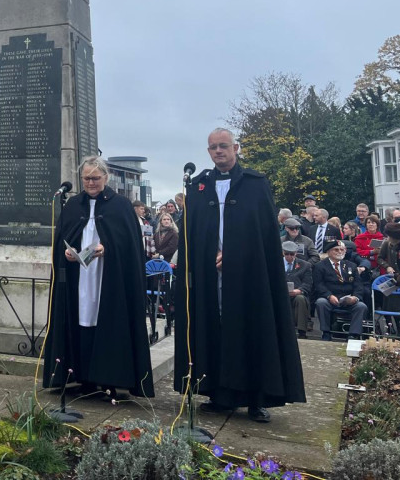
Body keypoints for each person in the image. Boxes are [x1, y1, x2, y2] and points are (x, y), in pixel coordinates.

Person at [174, 128, 305, 423]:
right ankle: (219, 394)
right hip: (211, 276)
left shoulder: (255, 185)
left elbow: (263, 237)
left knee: (251, 328)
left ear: (235, 148)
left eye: (223, 146)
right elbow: (192, 235)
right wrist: (209, 257)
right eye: (213, 148)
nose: (218, 151)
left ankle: (256, 398)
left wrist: (235, 257)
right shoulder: (198, 187)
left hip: (248, 276)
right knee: (215, 329)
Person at [43, 155, 154, 399]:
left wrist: (108, 248)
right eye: (86, 178)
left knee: (106, 321)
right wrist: (67, 252)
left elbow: (130, 244)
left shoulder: (121, 206)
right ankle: (82, 376)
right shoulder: (73, 205)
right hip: (79, 276)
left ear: (106, 177)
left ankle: (110, 378)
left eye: (95, 178)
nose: (91, 183)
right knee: (81, 319)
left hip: (109, 276)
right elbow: (65, 235)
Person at [313, 241, 366, 340]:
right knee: (321, 302)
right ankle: (326, 332)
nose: (339, 252)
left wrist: (355, 297)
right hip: (330, 299)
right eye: (336, 249)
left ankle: (353, 334)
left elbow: (358, 285)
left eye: (342, 250)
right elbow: (319, 285)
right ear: (329, 252)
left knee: (361, 306)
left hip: (348, 299)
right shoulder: (320, 266)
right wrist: (329, 296)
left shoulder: (351, 266)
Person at [282, 241, 313, 339]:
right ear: (283, 252)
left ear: (296, 253)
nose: (289, 256)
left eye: (292, 254)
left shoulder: (305, 265)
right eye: (286, 254)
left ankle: (302, 331)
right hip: (279, 294)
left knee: (300, 299)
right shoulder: (275, 263)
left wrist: (298, 290)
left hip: (296, 294)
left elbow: (307, 283)